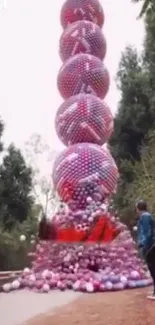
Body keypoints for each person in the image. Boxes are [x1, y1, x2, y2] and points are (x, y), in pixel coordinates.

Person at [136, 200, 155, 300]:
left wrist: (143, 244)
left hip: (150, 246)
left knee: (153, 268)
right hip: (150, 245)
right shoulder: (145, 216)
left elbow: (147, 233)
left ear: (138, 208)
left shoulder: (145, 217)